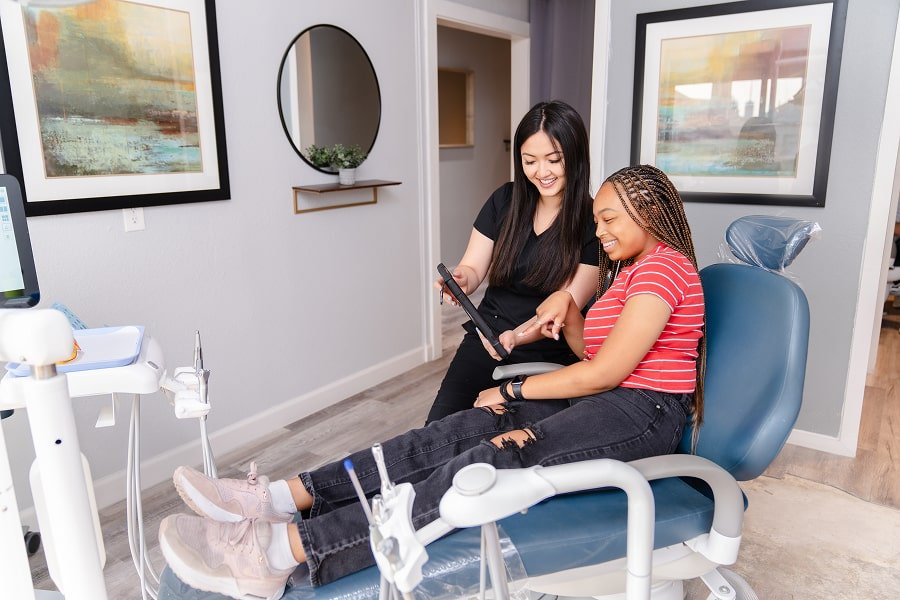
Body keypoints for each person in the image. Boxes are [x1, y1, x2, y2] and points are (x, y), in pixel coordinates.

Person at [159, 165, 706, 599]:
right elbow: (599, 354)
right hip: (615, 400)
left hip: (641, 412)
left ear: (650, 213)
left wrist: (514, 390)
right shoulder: (634, 269)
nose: (601, 230)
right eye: (598, 219)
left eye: (610, 220)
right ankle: (280, 498)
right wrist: (570, 307)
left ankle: (282, 552)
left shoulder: (662, 267)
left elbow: (606, 373)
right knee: (455, 429)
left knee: (490, 460)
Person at [428, 100, 600, 423]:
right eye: (530, 161)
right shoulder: (504, 201)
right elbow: (473, 268)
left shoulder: (592, 223)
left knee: (499, 445)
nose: (542, 172)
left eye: (554, 160)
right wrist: (461, 279)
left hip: (546, 348)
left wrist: (516, 337)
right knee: (437, 428)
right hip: (486, 335)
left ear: (575, 158)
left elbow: (563, 308)